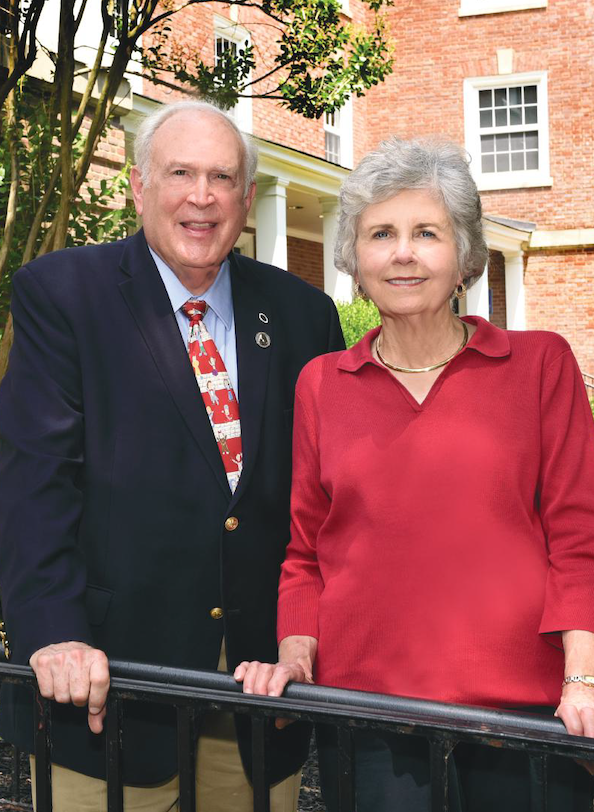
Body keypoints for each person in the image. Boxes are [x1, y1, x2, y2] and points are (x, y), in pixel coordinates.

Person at [235, 137, 594, 811]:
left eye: (426, 232)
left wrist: (585, 681)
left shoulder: (540, 365)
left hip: (526, 719)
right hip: (369, 720)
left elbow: (580, 537)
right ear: (355, 258)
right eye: (381, 234)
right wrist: (295, 658)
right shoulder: (323, 384)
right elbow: (306, 553)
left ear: (464, 254)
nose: (402, 253)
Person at [0, 100, 345, 811]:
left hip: (259, 688)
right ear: (138, 186)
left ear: (249, 199)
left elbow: (327, 500)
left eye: (222, 177)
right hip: (107, 685)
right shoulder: (63, 296)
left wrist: (311, 637)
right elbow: (36, 483)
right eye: (180, 172)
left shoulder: (304, 316)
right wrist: (54, 635)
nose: (202, 196)